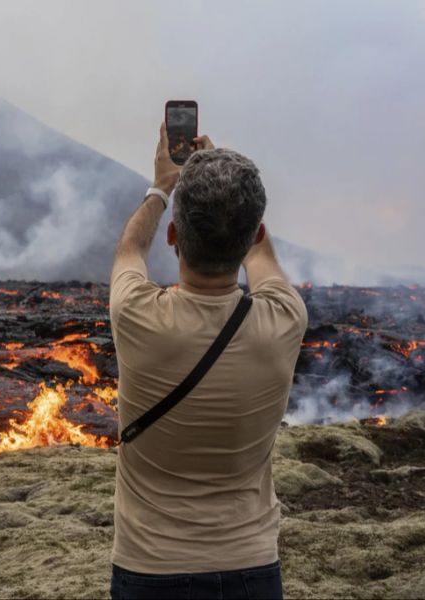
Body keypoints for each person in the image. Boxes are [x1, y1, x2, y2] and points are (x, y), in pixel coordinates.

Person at [108, 121, 308, 600]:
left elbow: (129, 249)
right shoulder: (284, 318)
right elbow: (260, 257)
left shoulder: (136, 314)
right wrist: (226, 182)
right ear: (255, 231)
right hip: (252, 569)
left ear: (174, 235)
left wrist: (161, 187)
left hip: (148, 568)